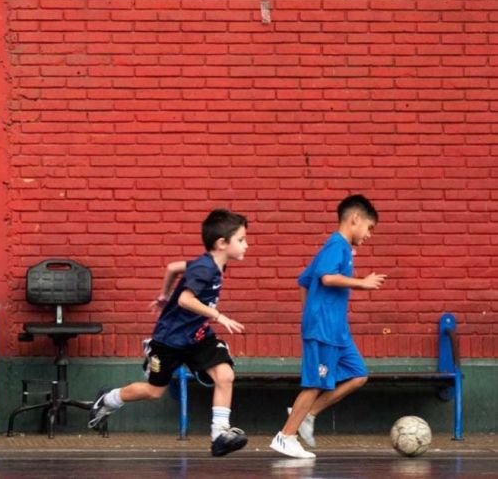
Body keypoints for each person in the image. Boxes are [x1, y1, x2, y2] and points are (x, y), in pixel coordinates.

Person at [89, 209, 250, 457]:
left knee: (225, 375)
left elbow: (173, 267)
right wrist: (218, 315)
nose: (246, 245)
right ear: (222, 243)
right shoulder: (205, 269)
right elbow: (185, 299)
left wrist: (164, 295)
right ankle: (108, 400)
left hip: (197, 337)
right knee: (154, 392)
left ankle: (219, 434)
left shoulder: (211, 264)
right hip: (170, 341)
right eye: (241, 239)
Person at [270, 194, 387, 459]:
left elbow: (304, 281)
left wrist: (310, 311)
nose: (369, 235)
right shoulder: (337, 245)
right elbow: (326, 278)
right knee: (314, 384)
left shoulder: (334, 247)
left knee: (358, 374)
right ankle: (285, 436)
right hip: (324, 328)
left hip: (336, 330)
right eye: (369, 228)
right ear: (355, 219)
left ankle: (309, 413)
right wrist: (361, 283)